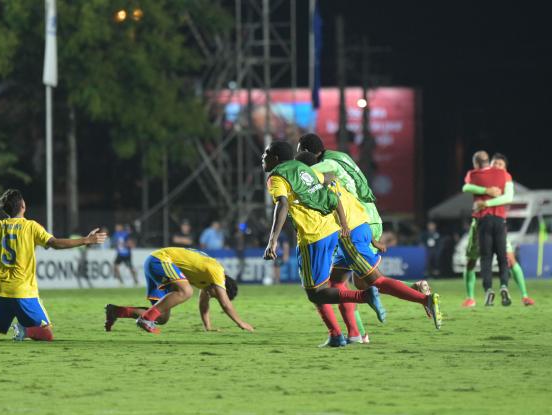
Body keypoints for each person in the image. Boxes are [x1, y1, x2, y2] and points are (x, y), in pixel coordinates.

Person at [294, 151, 442, 340]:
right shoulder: (332, 176)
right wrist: (371, 238)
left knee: (374, 281)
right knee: (336, 282)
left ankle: (423, 298)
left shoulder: (313, 183)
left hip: (350, 235)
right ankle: (355, 334)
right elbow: (351, 205)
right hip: (362, 226)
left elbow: (333, 208)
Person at [0, 189, 107, 342]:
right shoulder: (30, 227)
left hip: (0, 292)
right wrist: (86, 240)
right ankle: (24, 329)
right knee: (47, 335)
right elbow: (55, 243)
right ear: (23, 205)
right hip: (24, 293)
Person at [262, 141, 388, 348]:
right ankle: (337, 335)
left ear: (276, 158)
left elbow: (282, 204)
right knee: (321, 288)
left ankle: (364, 296)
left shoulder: (276, 177)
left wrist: (272, 240)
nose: (263, 157)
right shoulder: (302, 169)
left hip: (313, 235)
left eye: (266, 153)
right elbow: (329, 178)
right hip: (331, 230)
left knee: (316, 293)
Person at [105, 247, 254, 334]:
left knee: (162, 318)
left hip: (154, 265)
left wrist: (208, 327)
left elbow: (203, 304)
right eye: (218, 295)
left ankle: (116, 311)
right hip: (161, 260)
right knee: (186, 292)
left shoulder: (208, 282)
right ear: (223, 287)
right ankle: (146, 319)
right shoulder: (217, 271)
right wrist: (241, 323)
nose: (212, 296)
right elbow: (226, 304)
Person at [461, 153, 534, 307]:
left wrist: (486, 202)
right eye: (495, 164)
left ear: (505, 167)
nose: (497, 167)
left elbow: (508, 197)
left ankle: (524, 295)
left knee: (509, 259)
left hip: (496, 221)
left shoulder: (504, 177)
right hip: (479, 222)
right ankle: (470, 297)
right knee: (472, 261)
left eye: (500, 164)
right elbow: (467, 186)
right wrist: (486, 190)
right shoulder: (486, 177)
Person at [463, 151, 512, 306]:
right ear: (489, 161)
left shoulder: (473, 174)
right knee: (503, 258)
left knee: (485, 259)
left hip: (482, 221)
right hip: (500, 220)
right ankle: (504, 286)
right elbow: (509, 197)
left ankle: (488, 291)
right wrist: (491, 193)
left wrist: (485, 200)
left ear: (476, 163)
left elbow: (465, 187)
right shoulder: (504, 175)